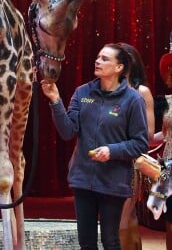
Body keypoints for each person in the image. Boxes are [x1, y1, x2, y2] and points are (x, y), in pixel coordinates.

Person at [41, 43, 149, 249]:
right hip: (82, 179)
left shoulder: (133, 100)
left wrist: (112, 151)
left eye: (105, 59)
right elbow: (67, 131)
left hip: (113, 182)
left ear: (119, 68)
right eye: (98, 57)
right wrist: (55, 101)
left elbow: (140, 143)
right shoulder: (82, 93)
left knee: (110, 240)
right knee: (86, 242)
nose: (98, 61)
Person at [119, 43, 155, 250]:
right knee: (125, 217)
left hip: (130, 162)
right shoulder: (106, 90)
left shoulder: (142, 92)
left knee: (123, 216)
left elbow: (149, 133)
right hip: (107, 161)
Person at [151, 51, 172, 250]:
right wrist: (143, 136)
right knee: (171, 218)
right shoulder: (164, 102)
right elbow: (163, 135)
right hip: (170, 166)